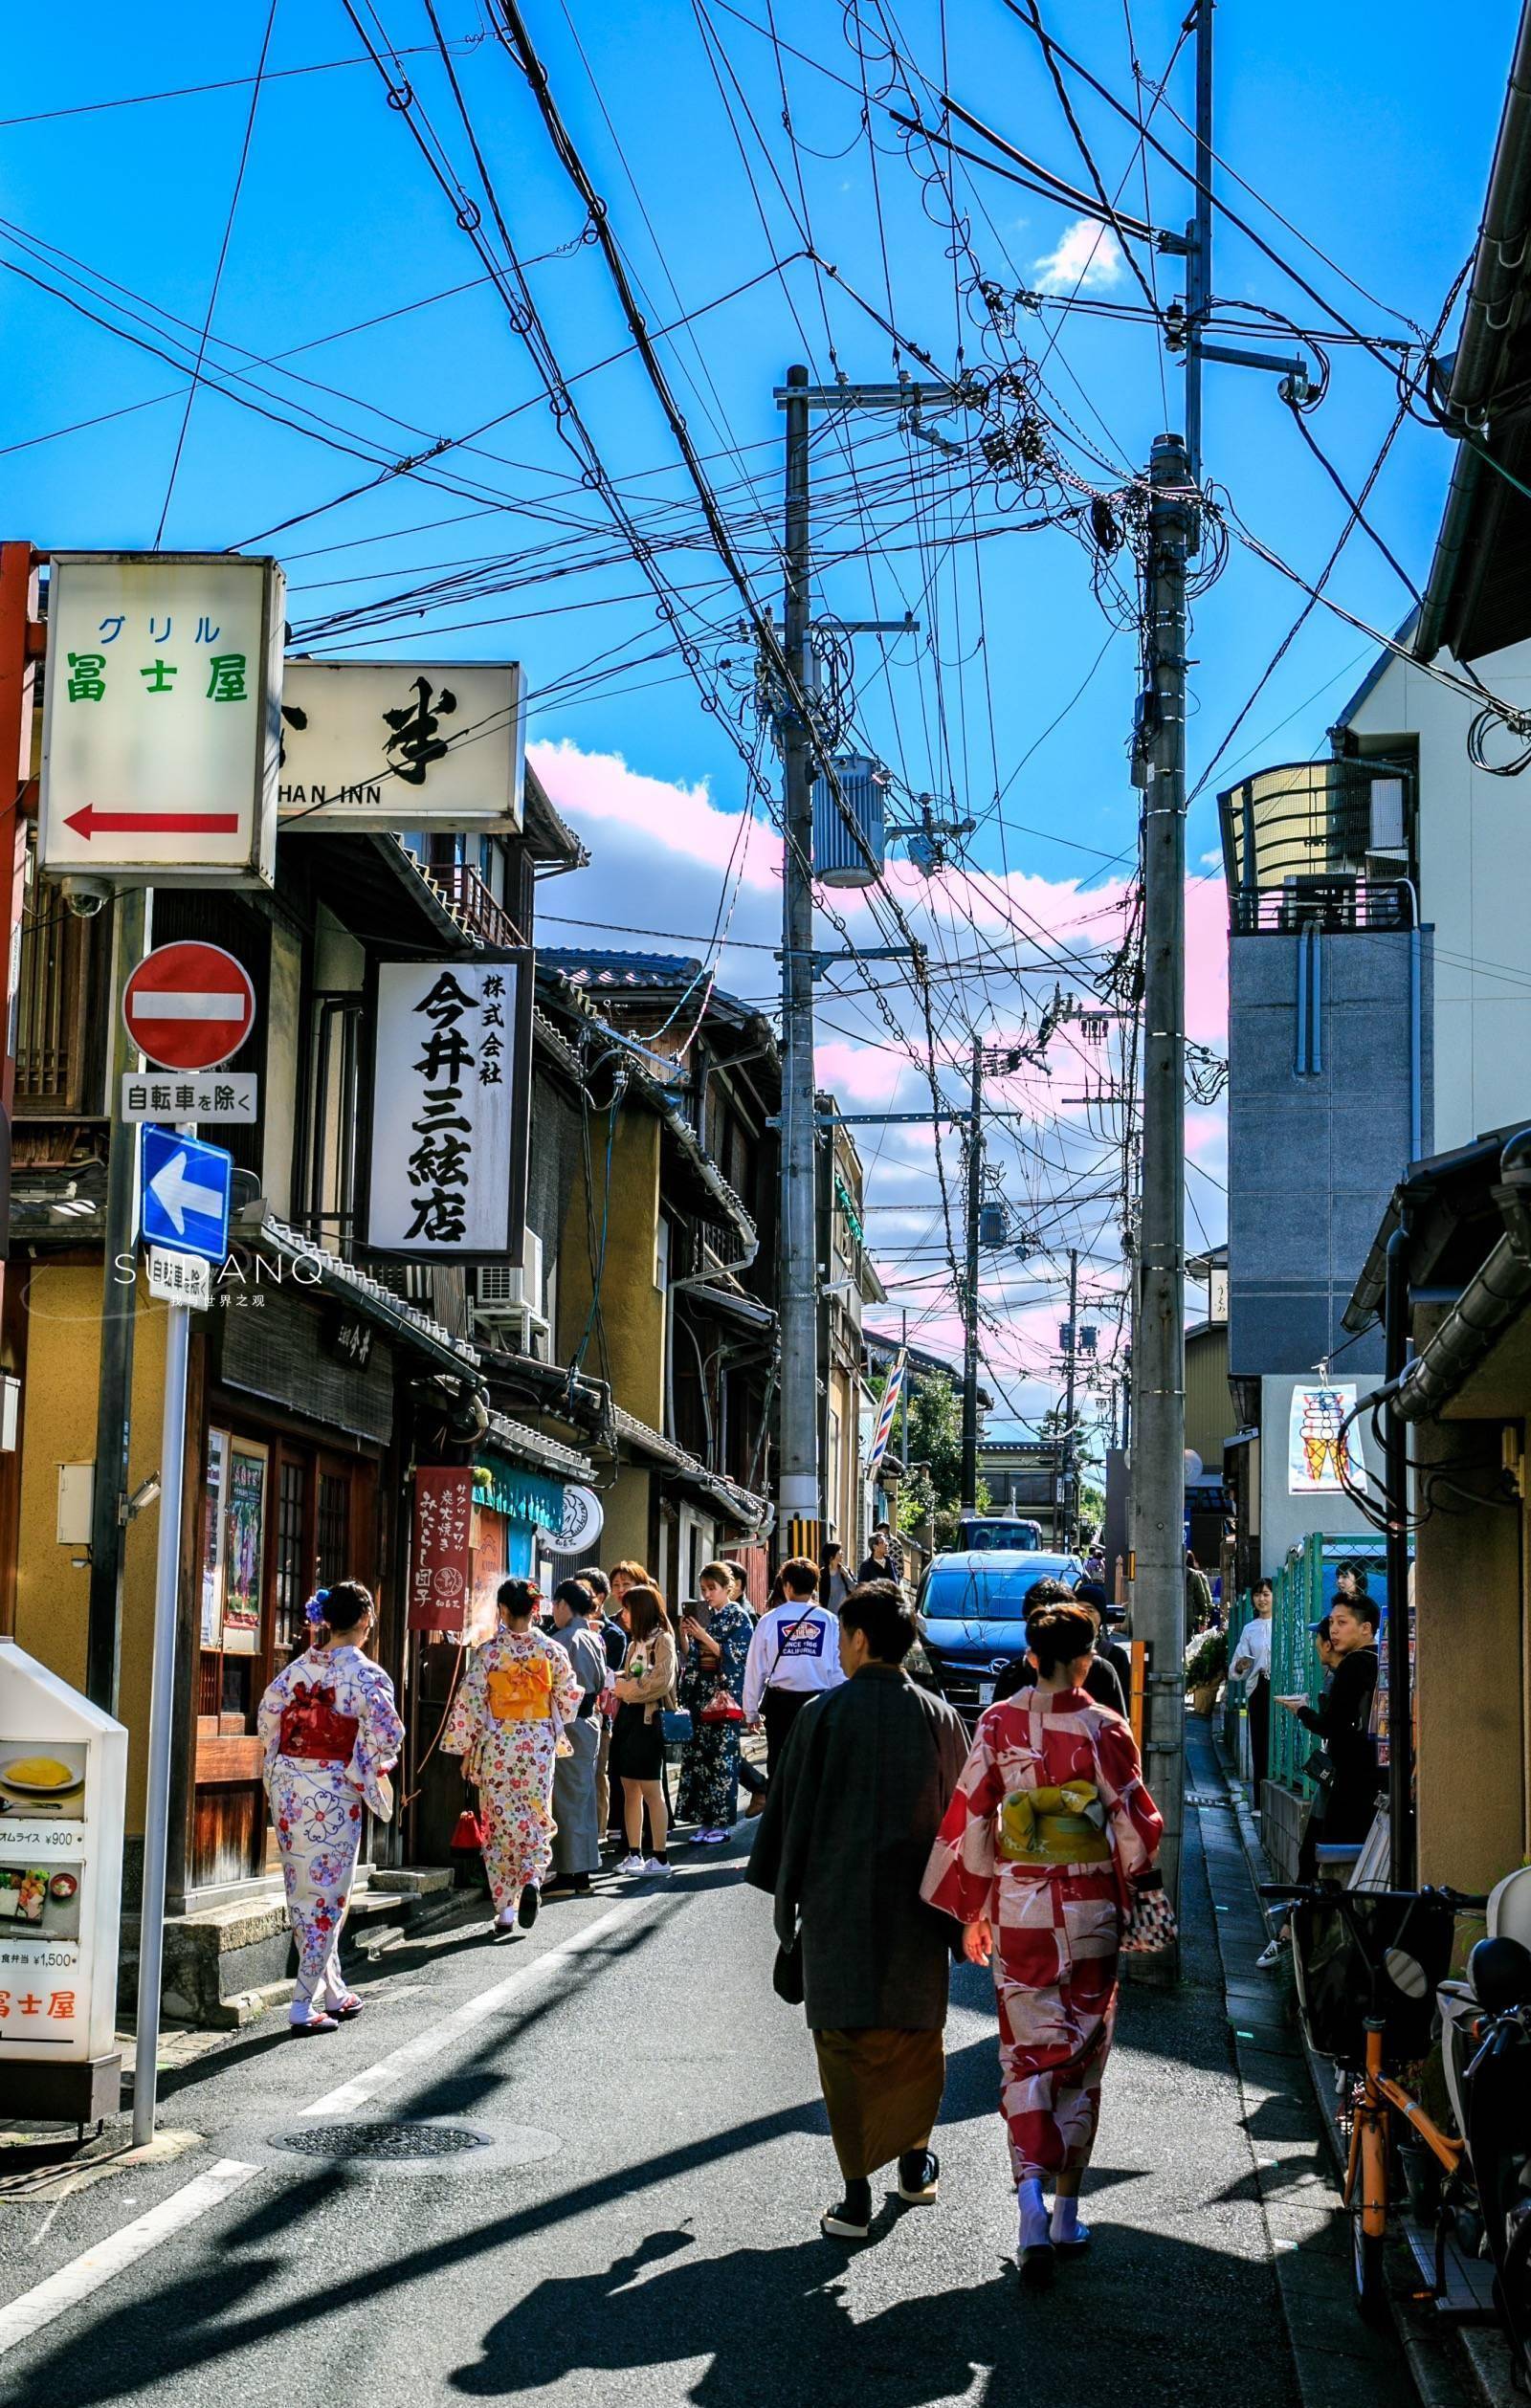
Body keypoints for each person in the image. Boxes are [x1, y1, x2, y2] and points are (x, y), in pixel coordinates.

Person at [922, 1600, 1165, 2286]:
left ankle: (1028, 2199)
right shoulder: (1105, 1726)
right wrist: (1139, 1884)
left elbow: (971, 1813)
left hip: (1022, 1906)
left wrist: (972, 1908)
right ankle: (1064, 2210)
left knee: (1027, 2058)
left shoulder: (997, 1723)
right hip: (1089, 1909)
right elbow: (1137, 1826)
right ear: (1087, 1657)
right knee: (1081, 2056)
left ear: (1031, 1654)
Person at [747, 1581, 970, 2241]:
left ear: (861, 1639)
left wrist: (789, 1903)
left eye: (843, 1637)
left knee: (843, 2042)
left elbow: (790, 1818)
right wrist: (963, 1914)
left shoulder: (823, 1714)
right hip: (918, 1908)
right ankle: (913, 2161)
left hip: (837, 1901)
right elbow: (962, 1825)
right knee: (913, 2035)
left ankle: (854, 2193)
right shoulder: (940, 1718)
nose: (840, 1649)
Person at [257, 1580, 404, 2034]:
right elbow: (387, 1734)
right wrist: (367, 1764)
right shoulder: (364, 1674)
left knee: (305, 1886)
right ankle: (302, 2003)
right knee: (328, 1891)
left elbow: (268, 1719)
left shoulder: (297, 1670)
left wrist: (289, 1766)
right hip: (333, 1789)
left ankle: (334, 1988)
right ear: (364, 1622)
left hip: (289, 1786)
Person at [443, 1576, 583, 1935]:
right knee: (536, 1816)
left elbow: (471, 1702)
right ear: (535, 1610)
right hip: (537, 1745)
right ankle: (534, 1879)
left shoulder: (489, 1653)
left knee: (499, 1823)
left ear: (503, 1611)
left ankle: (505, 1910)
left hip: (499, 1744)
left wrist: (465, 1748)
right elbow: (568, 1701)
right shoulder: (552, 1651)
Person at [1277, 1590, 1381, 1845]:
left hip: (1350, 1780)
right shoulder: (1381, 1660)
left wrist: (1301, 1710)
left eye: (1342, 1623)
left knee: (1334, 1853)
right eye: (1332, 1622)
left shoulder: (1353, 1664)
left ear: (1366, 1628)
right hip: (1379, 1776)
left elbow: (1331, 1725)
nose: (1333, 1630)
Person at [742, 1556, 845, 1781]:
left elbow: (755, 1669)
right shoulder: (829, 1621)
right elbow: (839, 1668)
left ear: (786, 1585)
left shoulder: (769, 1620)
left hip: (781, 1704)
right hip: (820, 1701)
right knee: (816, 1763)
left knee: (779, 1763)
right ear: (814, 1585)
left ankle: (781, 1812)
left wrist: (751, 1711)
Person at [676, 1559, 754, 1843]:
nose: (707, 1594)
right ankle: (704, 1821)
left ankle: (721, 1823)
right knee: (699, 1759)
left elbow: (736, 1655)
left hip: (721, 1693)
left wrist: (703, 1636)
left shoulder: (738, 1616)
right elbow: (689, 1657)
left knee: (722, 1759)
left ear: (727, 1588)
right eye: (704, 1588)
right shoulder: (704, 1615)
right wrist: (686, 1637)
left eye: (712, 1588)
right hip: (699, 1693)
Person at [610, 1582, 678, 1877]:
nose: (622, 1614)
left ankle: (660, 1856)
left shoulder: (662, 1640)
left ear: (640, 1610)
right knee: (629, 1789)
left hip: (649, 1719)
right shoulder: (636, 1641)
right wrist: (618, 1680)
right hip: (628, 1718)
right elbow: (636, 1675)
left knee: (651, 1789)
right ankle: (635, 1853)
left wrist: (625, 1689)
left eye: (627, 1608)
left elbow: (660, 1682)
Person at [544, 1579, 607, 1897]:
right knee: (581, 1795)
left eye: (554, 1605)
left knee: (568, 1796)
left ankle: (571, 1871)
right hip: (588, 1721)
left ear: (563, 1605)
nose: (553, 1611)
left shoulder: (565, 1639)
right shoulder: (592, 1636)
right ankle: (579, 1870)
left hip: (570, 1723)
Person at [994, 1578, 1126, 1717]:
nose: (1046, 1629)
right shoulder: (1012, 1675)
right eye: (1038, 1621)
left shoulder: (1101, 1672)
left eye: (1056, 1621)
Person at [1230, 1578, 1275, 1811]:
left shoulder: (1286, 1624)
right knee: (1259, 1743)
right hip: (1259, 1687)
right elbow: (1235, 1666)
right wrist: (1240, 1666)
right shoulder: (1250, 1628)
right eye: (1258, 1595)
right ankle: (1259, 1803)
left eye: (1266, 1594)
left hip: (1281, 1687)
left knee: (1279, 1741)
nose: (1262, 1599)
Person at [1185, 1550, 1214, 1634]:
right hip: (1192, 1617)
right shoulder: (1198, 1575)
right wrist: (1205, 1618)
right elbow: (1206, 1598)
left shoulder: (1174, 1574)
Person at [821, 1542, 854, 1614]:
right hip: (828, 1615)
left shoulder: (845, 1570)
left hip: (845, 1615)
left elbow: (854, 1589)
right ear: (831, 1555)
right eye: (839, 1551)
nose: (842, 1553)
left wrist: (847, 1575)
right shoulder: (822, 1573)